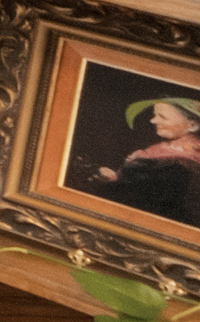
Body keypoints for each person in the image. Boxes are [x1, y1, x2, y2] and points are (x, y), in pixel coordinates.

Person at [79, 93, 200, 227]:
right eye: (155, 115)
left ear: (192, 125)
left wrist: (112, 182)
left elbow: (139, 200)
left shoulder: (179, 163)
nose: (153, 121)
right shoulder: (167, 152)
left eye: (163, 117)